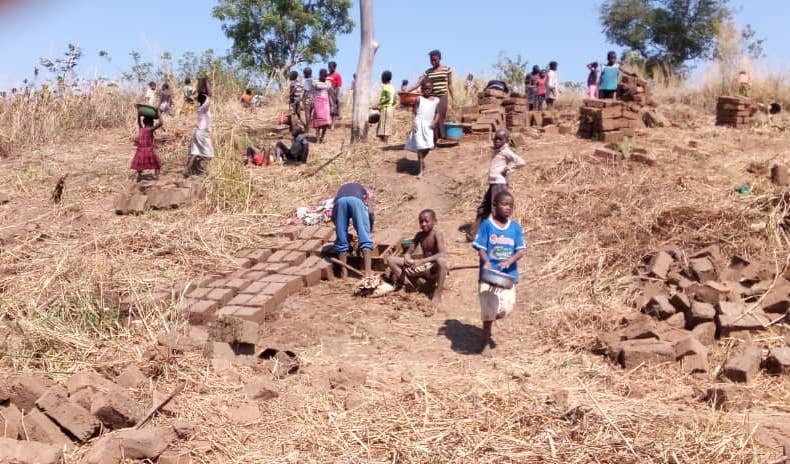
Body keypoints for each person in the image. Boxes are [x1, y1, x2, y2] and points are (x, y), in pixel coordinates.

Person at [472, 190, 526, 354]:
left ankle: (489, 321)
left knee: (506, 308)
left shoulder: (515, 227)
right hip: (488, 276)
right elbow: (480, 247)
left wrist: (509, 261)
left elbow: (521, 250)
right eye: (504, 204)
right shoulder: (487, 226)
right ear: (495, 206)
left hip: (508, 277)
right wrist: (487, 261)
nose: (508, 208)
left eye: (510, 205)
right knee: (488, 309)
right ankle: (485, 340)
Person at [468, 129, 526, 241]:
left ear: (506, 140)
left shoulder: (506, 151)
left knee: (496, 211)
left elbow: (521, 162)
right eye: (495, 138)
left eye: (500, 139)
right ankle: (473, 235)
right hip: (493, 184)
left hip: (499, 184)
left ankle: (499, 237)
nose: (497, 141)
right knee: (482, 209)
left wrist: (509, 169)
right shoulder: (497, 150)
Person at [387, 209, 448, 303]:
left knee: (442, 261)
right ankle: (409, 286)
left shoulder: (437, 234)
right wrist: (407, 257)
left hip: (433, 267)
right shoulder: (419, 235)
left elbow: (442, 254)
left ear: (435, 221)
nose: (423, 224)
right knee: (391, 260)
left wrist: (422, 261)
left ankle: (438, 293)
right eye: (421, 221)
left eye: (426, 221)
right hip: (422, 266)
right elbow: (409, 251)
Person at [408, 50, 453, 141]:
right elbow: (419, 83)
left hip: (442, 96)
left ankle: (441, 137)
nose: (433, 62)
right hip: (431, 98)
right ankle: (434, 139)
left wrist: (453, 97)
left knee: (440, 116)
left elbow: (450, 84)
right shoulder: (428, 72)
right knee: (432, 117)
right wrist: (407, 90)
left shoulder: (446, 69)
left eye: (435, 60)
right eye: (431, 60)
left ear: (440, 59)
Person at [333, 182, 374, 278]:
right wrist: (369, 229)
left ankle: (344, 274)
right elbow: (371, 213)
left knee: (341, 239)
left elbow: (334, 217)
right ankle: (368, 273)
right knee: (364, 237)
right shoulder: (365, 193)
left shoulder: (342, 190)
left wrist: (341, 231)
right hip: (356, 201)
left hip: (340, 202)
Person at [404, 81, 439, 178]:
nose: (427, 91)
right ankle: (420, 171)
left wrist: (434, 122)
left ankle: (421, 159)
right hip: (419, 124)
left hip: (428, 126)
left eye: (429, 89)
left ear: (431, 89)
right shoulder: (419, 99)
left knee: (429, 146)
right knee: (420, 147)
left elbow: (437, 113)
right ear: (422, 89)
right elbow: (414, 112)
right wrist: (414, 122)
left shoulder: (436, 100)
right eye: (425, 89)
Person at [184, 93, 214, 176]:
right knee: (209, 154)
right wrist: (206, 89)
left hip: (198, 131)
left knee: (195, 152)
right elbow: (209, 98)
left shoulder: (200, 108)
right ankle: (205, 171)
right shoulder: (204, 108)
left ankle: (187, 170)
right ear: (204, 101)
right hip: (203, 133)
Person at [131, 115, 163, 182]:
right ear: (151, 123)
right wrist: (159, 113)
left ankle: (138, 175)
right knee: (157, 163)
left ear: (144, 122)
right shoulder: (150, 129)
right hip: (148, 150)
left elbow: (139, 122)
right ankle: (156, 176)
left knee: (139, 165)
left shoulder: (141, 129)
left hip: (140, 150)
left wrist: (139, 115)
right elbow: (160, 123)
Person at [311, 69, 332, 143]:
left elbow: (329, 93)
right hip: (318, 103)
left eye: (325, 76)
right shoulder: (315, 82)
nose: (324, 77)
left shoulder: (328, 83)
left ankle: (322, 137)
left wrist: (332, 104)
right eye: (323, 76)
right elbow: (313, 91)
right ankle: (317, 138)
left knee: (326, 122)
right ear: (320, 75)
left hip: (326, 104)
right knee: (318, 122)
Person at [376, 70, 397, 143]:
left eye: (381, 77)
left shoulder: (385, 87)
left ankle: (384, 142)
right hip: (390, 108)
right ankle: (386, 141)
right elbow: (395, 99)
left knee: (383, 125)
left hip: (385, 108)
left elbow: (388, 98)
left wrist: (379, 103)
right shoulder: (392, 87)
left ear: (384, 78)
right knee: (388, 124)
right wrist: (392, 105)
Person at [327, 61, 343, 128]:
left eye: (331, 67)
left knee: (333, 108)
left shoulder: (337, 75)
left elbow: (338, 86)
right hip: (326, 94)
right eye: (329, 67)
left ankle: (333, 123)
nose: (330, 68)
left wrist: (337, 95)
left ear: (334, 67)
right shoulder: (327, 75)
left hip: (333, 93)